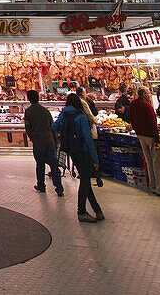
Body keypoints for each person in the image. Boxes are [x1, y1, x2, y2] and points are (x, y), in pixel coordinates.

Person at [53, 93, 104, 223]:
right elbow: (87, 138)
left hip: (72, 152)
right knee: (85, 182)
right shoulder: (80, 117)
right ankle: (81, 212)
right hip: (83, 151)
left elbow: (54, 127)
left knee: (86, 181)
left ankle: (97, 210)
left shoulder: (65, 114)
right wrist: (95, 159)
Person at [129, 85, 160, 197]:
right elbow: (152, 123)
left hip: (141, 136)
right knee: (157, 163)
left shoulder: (133, 104)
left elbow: (132, 120)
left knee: (149, 162)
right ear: (145, 95)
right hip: (150, 136)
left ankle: (153, 186)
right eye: (148, 94)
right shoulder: (147, 105)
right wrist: (156, 139)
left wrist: (137, 132)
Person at [24, 90, 63, 196]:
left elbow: (28, 128)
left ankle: (41, 185)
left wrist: (32, 138)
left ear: (28, 99)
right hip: (49, 140)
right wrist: (55, 141)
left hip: (38, 141)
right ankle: (59, 188)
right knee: (54, 165)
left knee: (40, 164)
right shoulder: (45, 111)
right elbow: (52, 126)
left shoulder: (29, 111)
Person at [76, 86, 103, 188]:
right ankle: (92, 171)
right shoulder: (83, 102)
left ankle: (85, 172)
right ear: (83, 93)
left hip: (79, 136)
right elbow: (90, 115)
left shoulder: (76, 104)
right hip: (88, 130)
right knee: (91, 149)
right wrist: (96, 121)